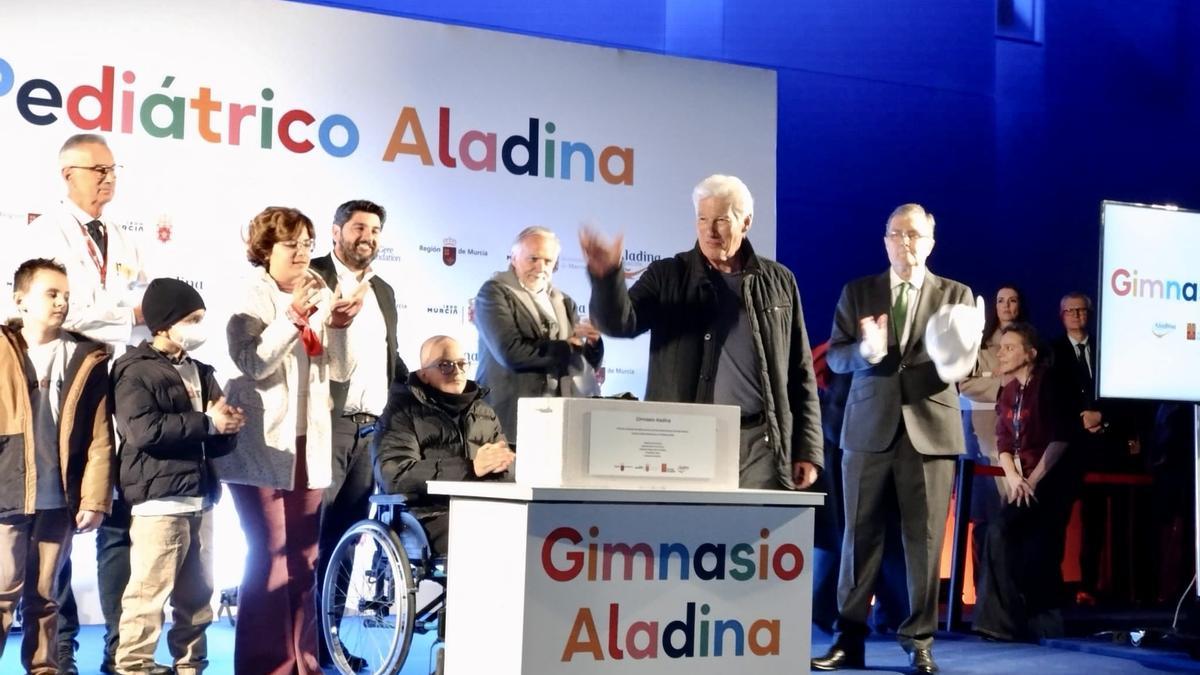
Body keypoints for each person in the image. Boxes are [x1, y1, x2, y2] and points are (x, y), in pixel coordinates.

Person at [816, 203, 980, 674]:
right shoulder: (859, 291)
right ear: (884, 239)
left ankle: (919, 640)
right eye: (896, 234)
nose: (905, 243)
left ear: (931, 242)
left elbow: (965, 365)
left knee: (924, 542)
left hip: (930, 430)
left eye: (914, 235)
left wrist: (962, 358)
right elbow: (838, 358)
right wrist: (866, 352)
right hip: (868, 429)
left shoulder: (957, 295)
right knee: (858, 538)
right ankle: (848, 639)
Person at [581, 174, 822, 490]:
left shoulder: (779, 281)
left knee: (757, 536)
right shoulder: (668, 275)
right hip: (684, 440)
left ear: (746, 222)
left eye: (721, 220)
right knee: (688, 536)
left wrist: (808, 449)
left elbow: (800, 370)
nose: (709, 230)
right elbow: (620, 324)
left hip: (760, 443)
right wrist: (606, 279)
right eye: (702, 219)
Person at [20, 134, 148, 674]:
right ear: (66, 172)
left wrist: (119, 313)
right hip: (66, 382)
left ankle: (122, 649)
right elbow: (64, 312)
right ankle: (62, 648)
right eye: (97, 169)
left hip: (116, 378)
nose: (108, 177)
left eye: (113, 168)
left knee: (117, 517)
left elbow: (144, 301)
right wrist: (121, 314)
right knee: (63, 517)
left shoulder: (121, 234)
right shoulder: (43, 233)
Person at [214, 206, 358, 674]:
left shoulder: (319, 288)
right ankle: (264, 664)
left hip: (308, 443)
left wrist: (337, 327)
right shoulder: (246, 294)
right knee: (271, 559)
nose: (301, 253)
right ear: (265, 250)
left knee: (307, 559)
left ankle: (304, 660)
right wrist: (293, 316)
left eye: (306, 243)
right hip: (259, 448)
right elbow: (253, 364)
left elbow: (336, 369)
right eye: (290, 244)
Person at [112, 278, 245, 675]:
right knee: (147, 596)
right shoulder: (133, 370)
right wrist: (207, 422)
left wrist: (228, 428)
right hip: (159, 501)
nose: (198, 327)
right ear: (164, 323)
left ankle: (191, 666)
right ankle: (134, 666)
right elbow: (143, 430)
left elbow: (213, 435)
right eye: (192, 319)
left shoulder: (202, 371)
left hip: (201, 498)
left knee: (198, 596)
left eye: (202, 318)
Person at [0, 258, 113, 675]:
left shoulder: (87, 355)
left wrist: (95, 497)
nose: (62, 302)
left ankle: (44, 668)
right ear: (20, 300)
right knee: (1, 593)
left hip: (58, 497)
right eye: (51, 293)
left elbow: (101, 437)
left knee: (46, 597)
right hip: (6, 493)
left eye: (66, 295)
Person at [308, 200, 408, 670]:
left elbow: (390, 358)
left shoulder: (385, 290)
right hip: (326, 424)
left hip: (372, 432)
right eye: (358, 227)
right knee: (309, 538)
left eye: (375, 229)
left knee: (344, 543)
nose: (367, 236)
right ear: (335, 232)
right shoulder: (310, 279)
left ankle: (326, 644)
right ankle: (297, 643)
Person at [972, 322, 1073, 640]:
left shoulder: (1049, 383)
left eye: (1010, 347)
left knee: (1026, 541)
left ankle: (1024, 621)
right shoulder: (1009, 390)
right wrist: (1015, 478)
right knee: (993, 532)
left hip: (1051, 479)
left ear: (1030, 353)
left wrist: (1033, 480)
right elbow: (1003, 442)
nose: (1001, 352)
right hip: (1023, 482)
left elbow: (1060, 438)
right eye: (1001, 347)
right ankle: (999, 621)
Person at [374, 335, 515, 557]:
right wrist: (469, 468)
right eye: (445, 365)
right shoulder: (401, 412)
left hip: (482, 510)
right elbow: (395, 475)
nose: (457, 371)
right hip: (426, 515)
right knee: (479, 534)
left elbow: (507, 468)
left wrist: (503, 465)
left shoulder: (484, 413)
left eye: (461, 364)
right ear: (424, 375)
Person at [1046, 292, 1139, 605]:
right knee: (1057, 517)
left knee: (1097, 520)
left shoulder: (1108, 350)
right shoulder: (1052, 351)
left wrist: (1104, 418)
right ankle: (1052, 584)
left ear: (1091, 313)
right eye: (1069, 310)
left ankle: (1092, 584)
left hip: (1105, 447)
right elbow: (1051, 398)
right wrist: (1080, 420)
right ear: (1061, 316)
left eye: (1081, 310)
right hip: (1068, 446)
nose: (1076, 315)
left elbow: (1126, 395)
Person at [474, 226, 602, 445]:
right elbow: (511, 353)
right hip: (507, 421)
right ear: (514, 257)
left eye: (548, 261)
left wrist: (594, 343)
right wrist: (566, 347)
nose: (541, 267)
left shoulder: (563, 301)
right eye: (533, 258)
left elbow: (581, 365)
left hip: (557, 424)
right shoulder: (493, 293)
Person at [958, 285, 1027, 581]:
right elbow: (964, 383)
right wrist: (998, 386)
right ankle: (982, 589)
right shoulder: (979, 346)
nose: (1006, 306)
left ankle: (1014, 590)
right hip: (984, 439)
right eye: (1000, 300)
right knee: (984, 519)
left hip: (1022, 439)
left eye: (1012, 300)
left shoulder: (1031, 344)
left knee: (1018, 520)